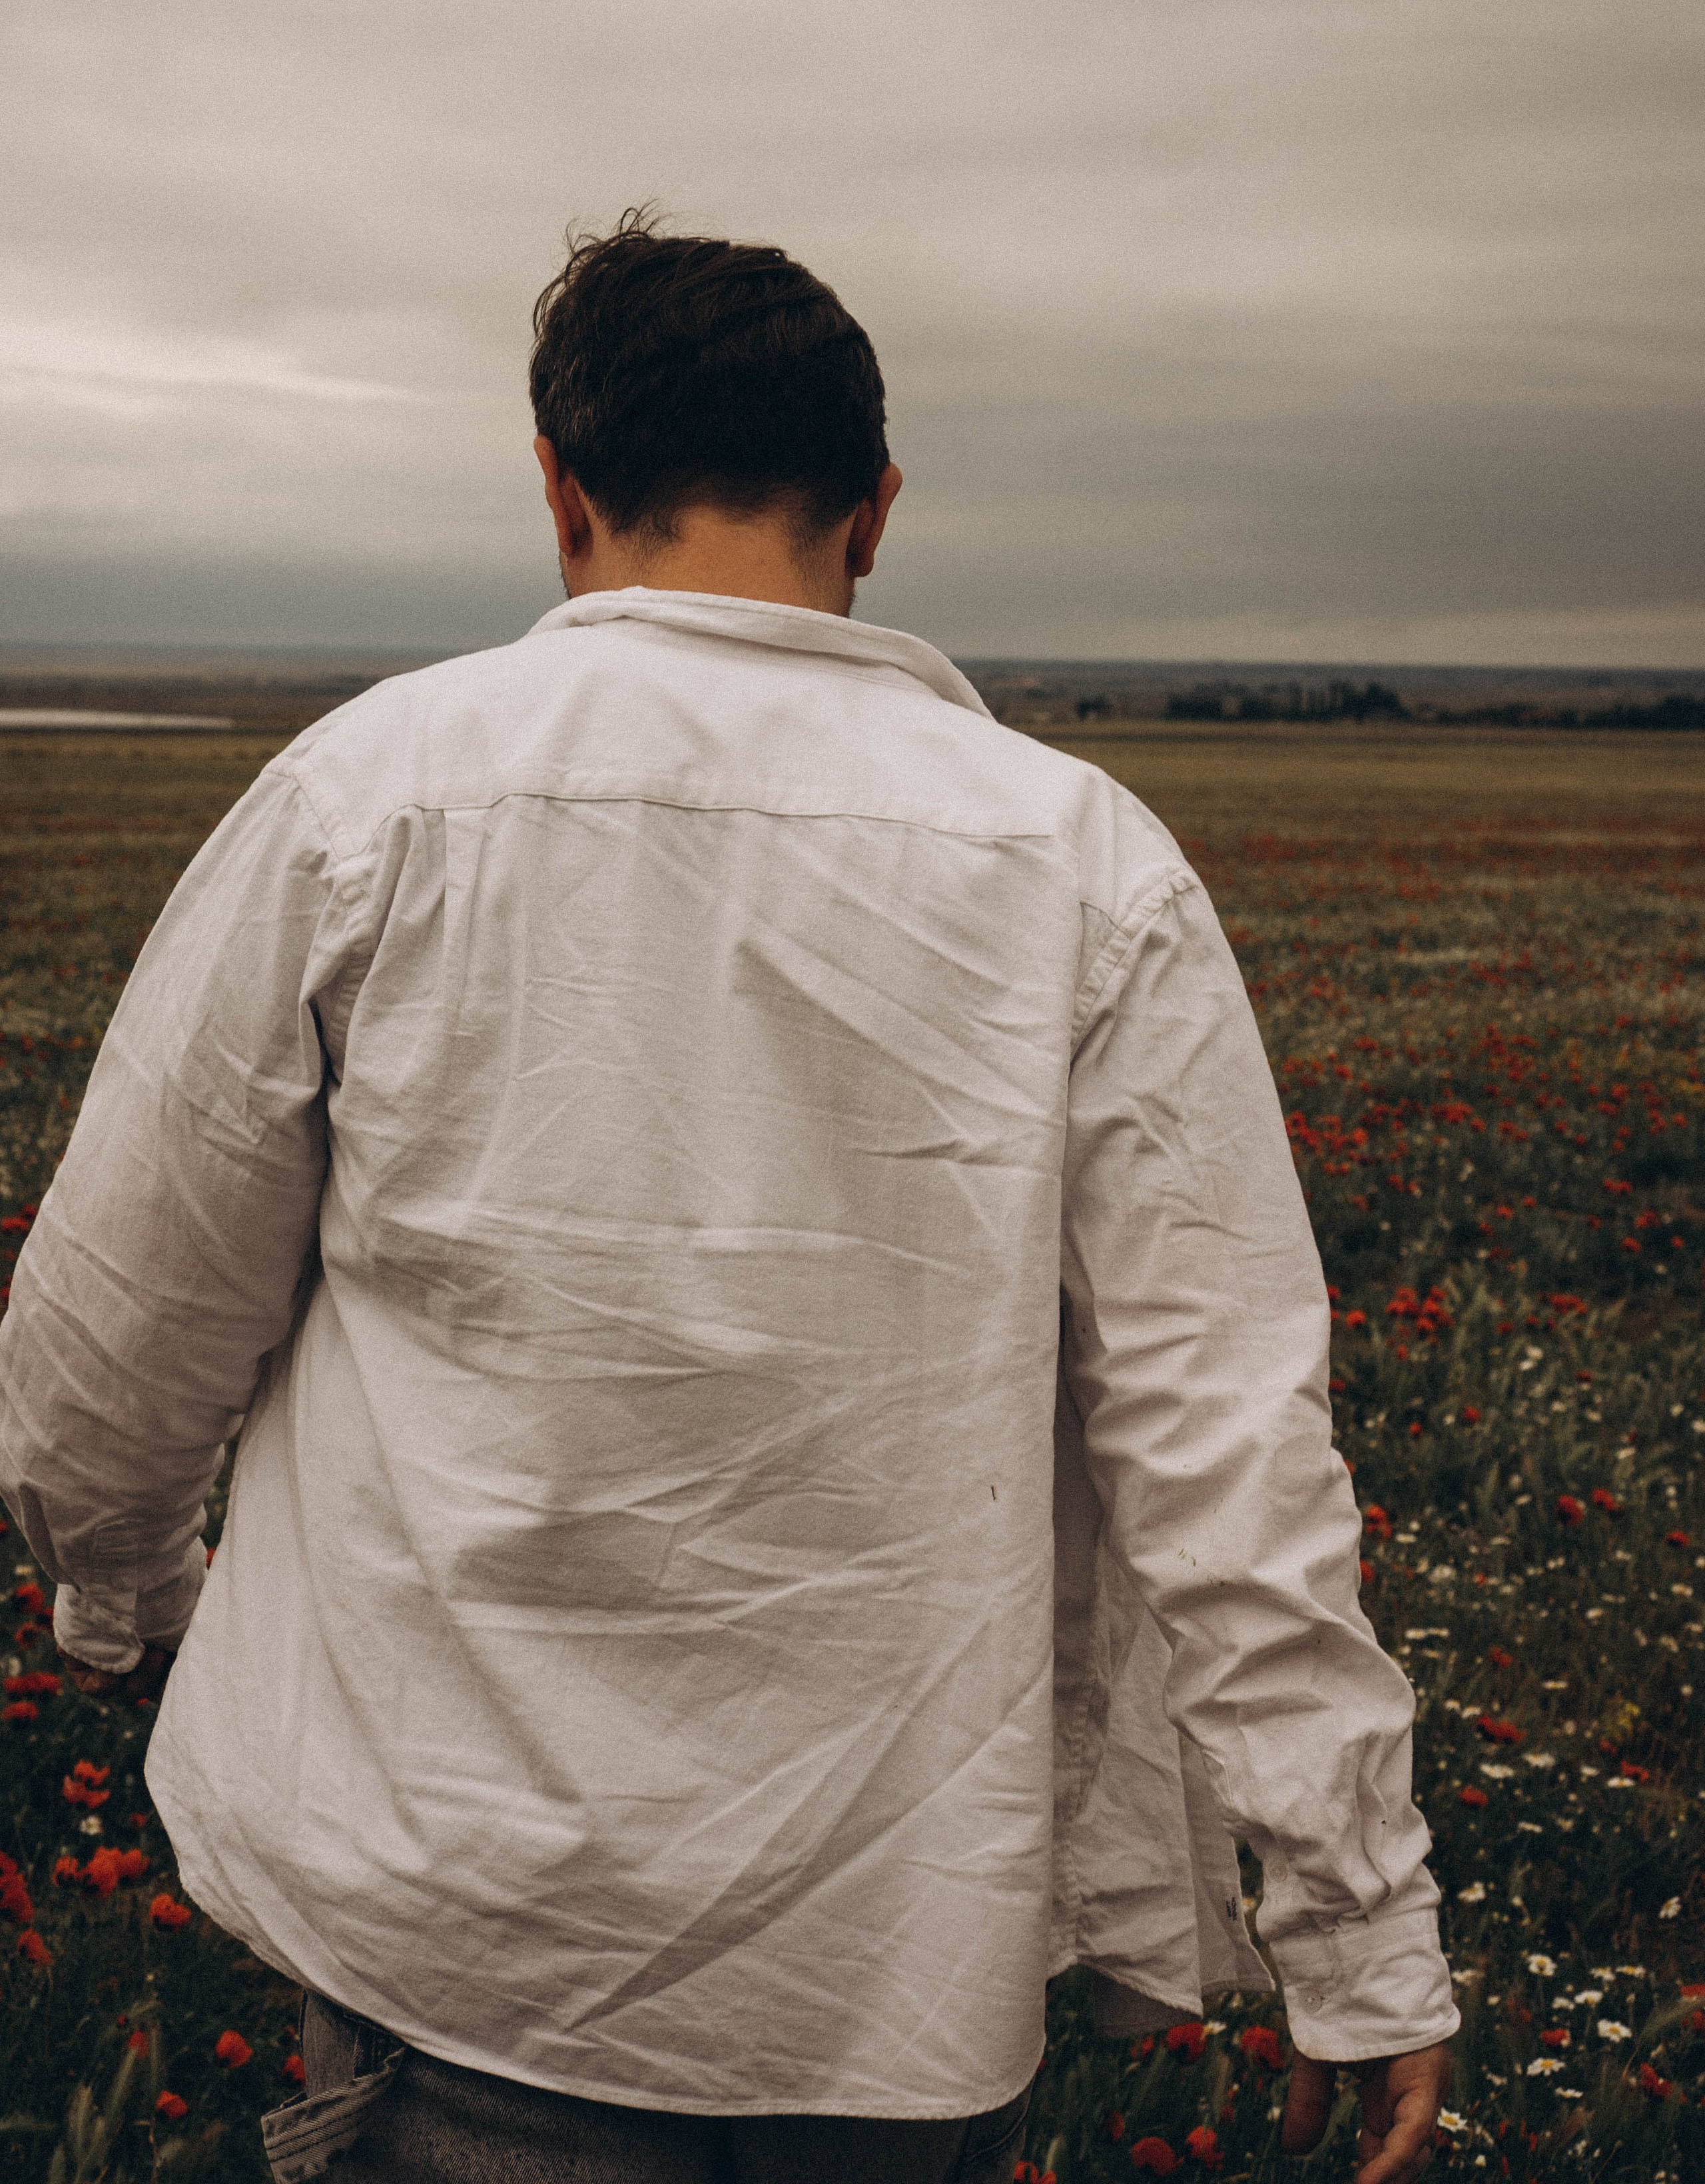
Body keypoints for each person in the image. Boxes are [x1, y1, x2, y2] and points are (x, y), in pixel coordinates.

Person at [0, 218, 1455, 2184]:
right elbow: (1229, 1446)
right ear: (877, 511)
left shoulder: (373, 798)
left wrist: (126, 1589)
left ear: (560, 487)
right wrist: (1358, 1923)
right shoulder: (1086, 865)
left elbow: (117, 1332)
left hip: (456, 1930)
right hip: (895, 1986)